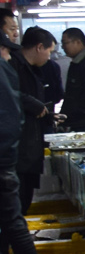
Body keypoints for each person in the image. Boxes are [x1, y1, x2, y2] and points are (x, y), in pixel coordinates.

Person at [0, 11, 47, 202]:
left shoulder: (13, 65)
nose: (16, 33)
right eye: (11, 29)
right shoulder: (11, 68)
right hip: (13, 158)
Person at [0, 29, 34, 254]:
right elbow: (12, 120)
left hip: (3, 161)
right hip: (3, 161)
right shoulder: (3, 72)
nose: (9, 57)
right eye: (6, 50)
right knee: (13, 223)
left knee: (12, 223)